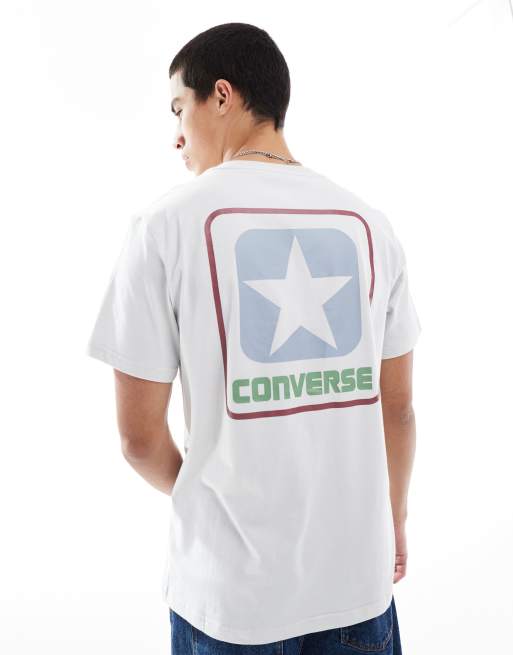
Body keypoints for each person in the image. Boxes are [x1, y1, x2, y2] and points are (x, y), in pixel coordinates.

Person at [86, 22, 421, 655]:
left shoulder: (165, 226)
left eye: (179, 109)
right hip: (357, 583)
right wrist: (393, 519)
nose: (176, 135)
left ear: (222, 94)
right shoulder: (370, 226)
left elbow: (139, 440)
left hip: (231, 598)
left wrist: (216, 503)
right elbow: (397, 408)